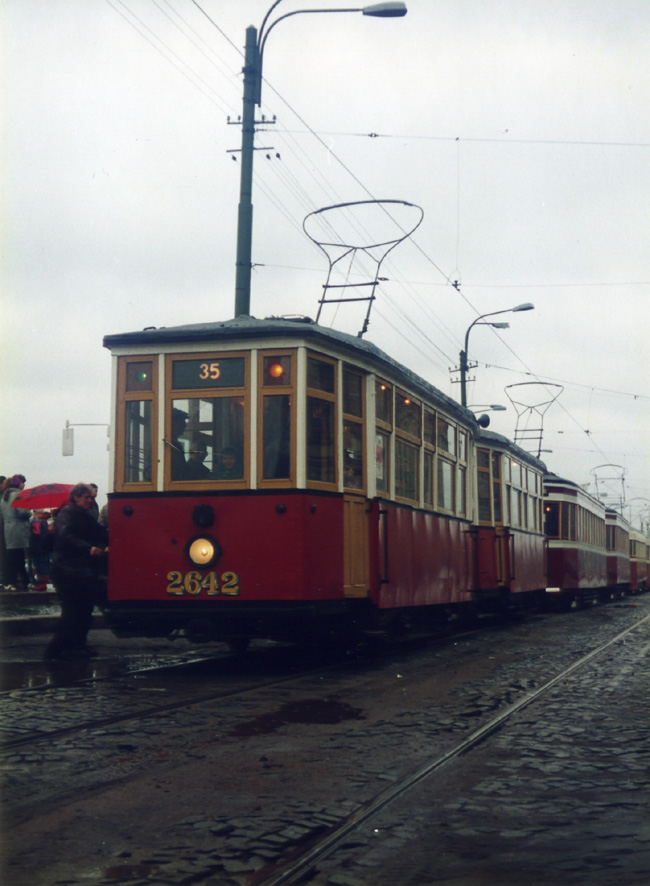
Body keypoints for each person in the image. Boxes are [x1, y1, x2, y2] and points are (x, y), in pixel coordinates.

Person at [44, 483, 108, 661]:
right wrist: (90, 549)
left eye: (92, 497)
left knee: (84, 611)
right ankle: (53, 651)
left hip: (80, 572)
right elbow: (67, 536)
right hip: (67, 572)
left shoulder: (84, 516)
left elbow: (100, 532)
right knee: (72, 612)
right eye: (87, 497)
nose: (91, 500)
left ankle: (77, 646)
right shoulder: (67, 514)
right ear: (76, 498)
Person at [1, 474, 30, 590]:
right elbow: (23, 512)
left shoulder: (4, 497)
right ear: (18, 484)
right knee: (19, 557)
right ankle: (20, 581)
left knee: (13, 557)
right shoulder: (19, 495)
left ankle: (11, 582)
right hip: (18, 530)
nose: (24, 485)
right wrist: (30, 513)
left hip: (8, 530)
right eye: (22, 483)